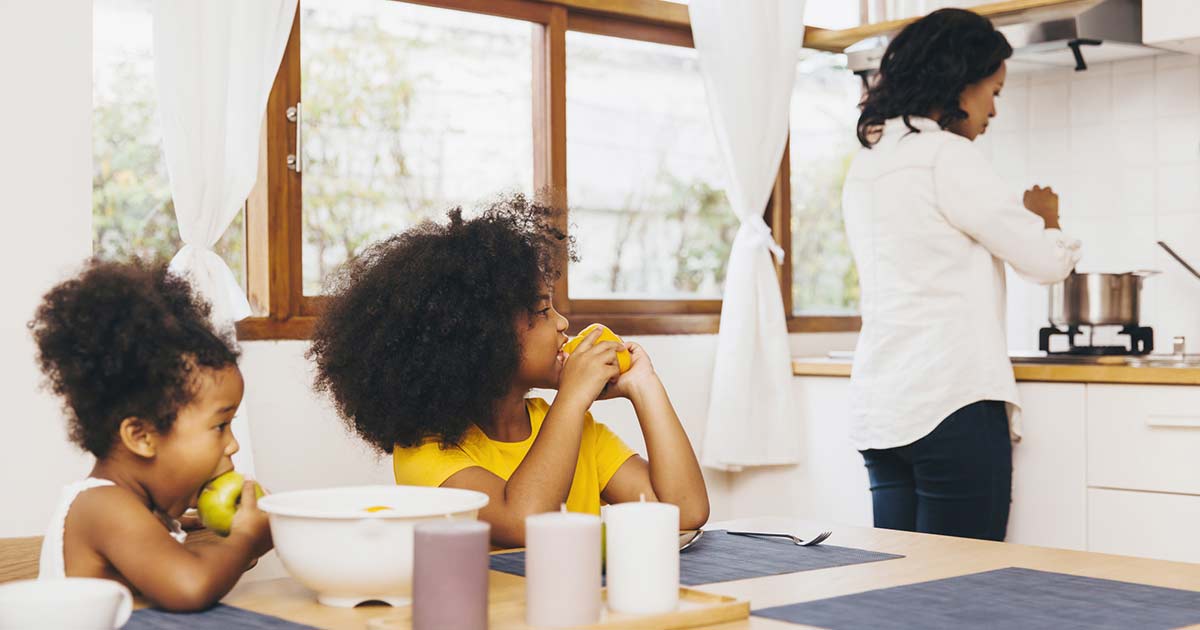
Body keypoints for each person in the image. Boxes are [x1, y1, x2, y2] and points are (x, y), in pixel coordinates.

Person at [307, 194, 710, 548]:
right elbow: (524, 522)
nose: (562, 324)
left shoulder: (580, 433)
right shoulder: (426, 455)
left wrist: (645, 385)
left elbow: (684, 514)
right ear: (480, 339)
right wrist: (570, 396)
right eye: (540, 311)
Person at [842, 8, 1081, 541]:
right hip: (951, 403)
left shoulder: (870, 162)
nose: (994, 108)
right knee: (966, 586)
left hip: (881, 408)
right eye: (992, 90)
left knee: (898, 587)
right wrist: (1047, 219)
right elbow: (1044, 263)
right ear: (960, 83)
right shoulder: (948, 157)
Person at [30, 259, 271, 610]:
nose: (232, 444)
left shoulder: (146, 514)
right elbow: (190, 586)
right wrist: (245, 539)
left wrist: (228, 536)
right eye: (220, 426)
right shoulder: (101, 506)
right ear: (142, 436)